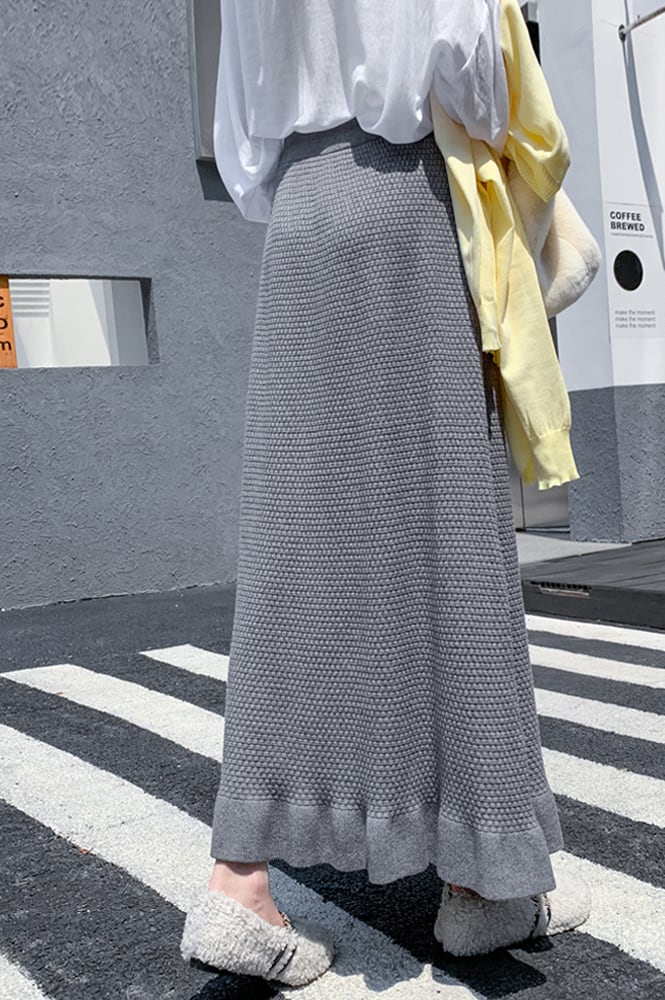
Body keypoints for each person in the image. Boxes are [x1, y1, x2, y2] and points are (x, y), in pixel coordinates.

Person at [180, 0, 590, 986]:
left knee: (297, 550)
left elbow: (241, 135)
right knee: (453, 546)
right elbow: (461, 58)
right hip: (407, 204)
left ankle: (239, 882)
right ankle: (484, 879)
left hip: (300, 213)